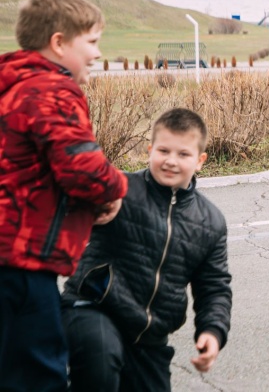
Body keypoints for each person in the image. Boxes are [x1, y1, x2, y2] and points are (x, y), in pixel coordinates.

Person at [0, 0, 127, 391]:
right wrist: (114, 191)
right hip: (22, 260)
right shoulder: (52, 90)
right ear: (58, 43)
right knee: (39, 375)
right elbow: (82, 168)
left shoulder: (11, 86)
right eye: (91, 41)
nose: (97, 53)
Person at [62, 108, 232, 391]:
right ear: (150, 150)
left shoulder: (210, 222)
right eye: (163, 151)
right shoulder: (120, 190)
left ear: (200, 161)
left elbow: (214, 286)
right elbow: (69, 201)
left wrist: (212, 332)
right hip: (93, 310)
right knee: (100, 361)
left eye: (183, 154)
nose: (171, 161)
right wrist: (93, 201)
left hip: (149, 336)